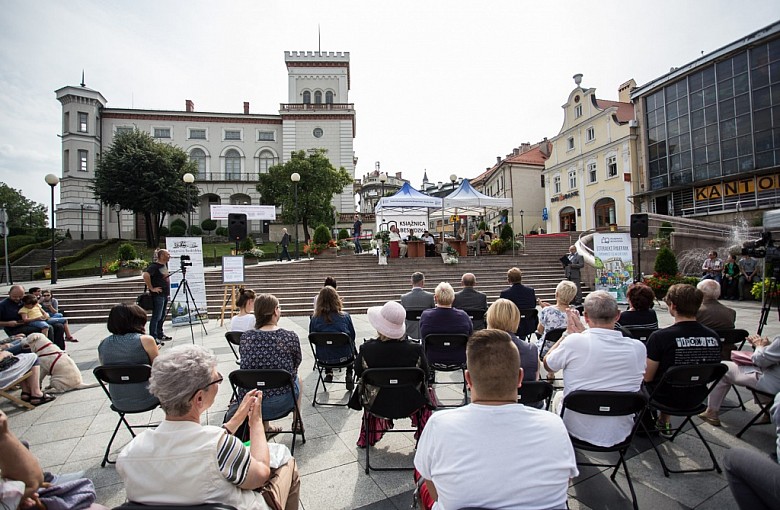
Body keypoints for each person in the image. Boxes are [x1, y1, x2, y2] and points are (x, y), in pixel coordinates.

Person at [116, 344, 300, 509]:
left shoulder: (130, 453)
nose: (219, 382)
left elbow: (197, 441)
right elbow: (260, 473)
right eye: (216, 380)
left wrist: (236, 419)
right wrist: (256, 422)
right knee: (286, 461)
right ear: (199, 398)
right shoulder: (220, 446)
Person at [414, 329, 577, 510]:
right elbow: (565, 481)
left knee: (423, 471)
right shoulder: (554, 425)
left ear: (468, 379)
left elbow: (436, 493)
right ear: (520, 377)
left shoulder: (439, 424)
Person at [544, 291, 647, 447]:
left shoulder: (574, 342)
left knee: (558, 396)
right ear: (618, 315)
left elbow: (548, 365)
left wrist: (567, 334)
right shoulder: (638, 348)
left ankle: (564, 448)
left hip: (576, 428)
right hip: (620, 430)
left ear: (586, 316)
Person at [350, 301, 431, 447]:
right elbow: (426, 374)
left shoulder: (367, 349)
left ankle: (368, 436)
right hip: (411, 402)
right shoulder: (415, 349)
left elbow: (358, 372)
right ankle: (424, 436)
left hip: (376, 403)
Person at [644, 284, 721, 435]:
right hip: (697, 397)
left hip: (664, 398)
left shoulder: (660, 337)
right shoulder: (713, 336)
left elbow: (647, 377)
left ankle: (646, 426)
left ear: (672, 305)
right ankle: (663, 420)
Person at [239, 294, 303, 436]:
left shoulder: (246, 338)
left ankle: (265, 427)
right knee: (298, 379)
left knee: (261, 380)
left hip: (252, 404)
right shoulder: (289, 336)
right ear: (275, 311)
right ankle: (297, 420)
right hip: (282, 400)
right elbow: (296, 362)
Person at [698, 332, 780, 427]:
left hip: (772, 383)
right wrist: (768, 346)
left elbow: (759, 360)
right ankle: (768, 410)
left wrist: (759, 346)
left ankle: (711, 412)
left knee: (723, 368)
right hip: (773, 379)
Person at [97, 303, 160, 412]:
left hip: (118, 402)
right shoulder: (146, 340)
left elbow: (109, 370)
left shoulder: (103, 344)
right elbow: (159, 369)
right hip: (148, 398)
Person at [309, 286, 356, 387]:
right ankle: (349, 373)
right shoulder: (345, 316)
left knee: (326, 342)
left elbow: (312, 337)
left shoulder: (315, 319)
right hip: (345, 358)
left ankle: (329, 372)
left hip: (323, 359)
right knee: (350, 342)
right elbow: (352, 336)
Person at [485, 298, 539, 382]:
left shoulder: (478, 350)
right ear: (516, 320)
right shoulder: (531, 350)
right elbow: (535, 379)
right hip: (523, 394)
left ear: (490, 318)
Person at [0, 285, 66, 350]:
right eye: (14, 297)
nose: (17, 299)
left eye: (20, 296)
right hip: (16, 328)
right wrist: (7, 323)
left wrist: (45, 314)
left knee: (58, 326)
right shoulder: (2, 305)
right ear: (9, 293)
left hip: (31, 321)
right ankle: (48, 350)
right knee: (48, 328)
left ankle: (60, 350)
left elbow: (37, 307)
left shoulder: (25, 300)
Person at [536, 280, 577, 357]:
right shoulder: (575, 313)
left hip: (546, 350)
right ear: (573, 297)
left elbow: (539, 330)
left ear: (556, 294)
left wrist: (548, 309)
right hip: (566, 350)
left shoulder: (547, 311)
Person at [499, 267, 537, 339]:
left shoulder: (505, 293)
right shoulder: (530, 291)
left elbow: (502, 310)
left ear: (509, 280)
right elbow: (533, 305)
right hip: (528, 324)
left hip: (511, 324)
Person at [142, 249, 171, 343]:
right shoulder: (154, 266)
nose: (169, 256)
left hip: (165, 294)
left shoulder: (164, 265)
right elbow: (146, 275)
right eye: (167, 254)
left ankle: (160, 333)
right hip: (158, 295)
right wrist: (151, 288)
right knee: (157, 316)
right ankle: (153, 337)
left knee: (162, 316)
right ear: (162, 256)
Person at [400, 271, 435, 340]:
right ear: (423, 282)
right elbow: (433, 313)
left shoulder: (404, 298)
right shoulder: (430, 297)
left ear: (411, 282)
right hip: (426, 331)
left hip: (409, 331)